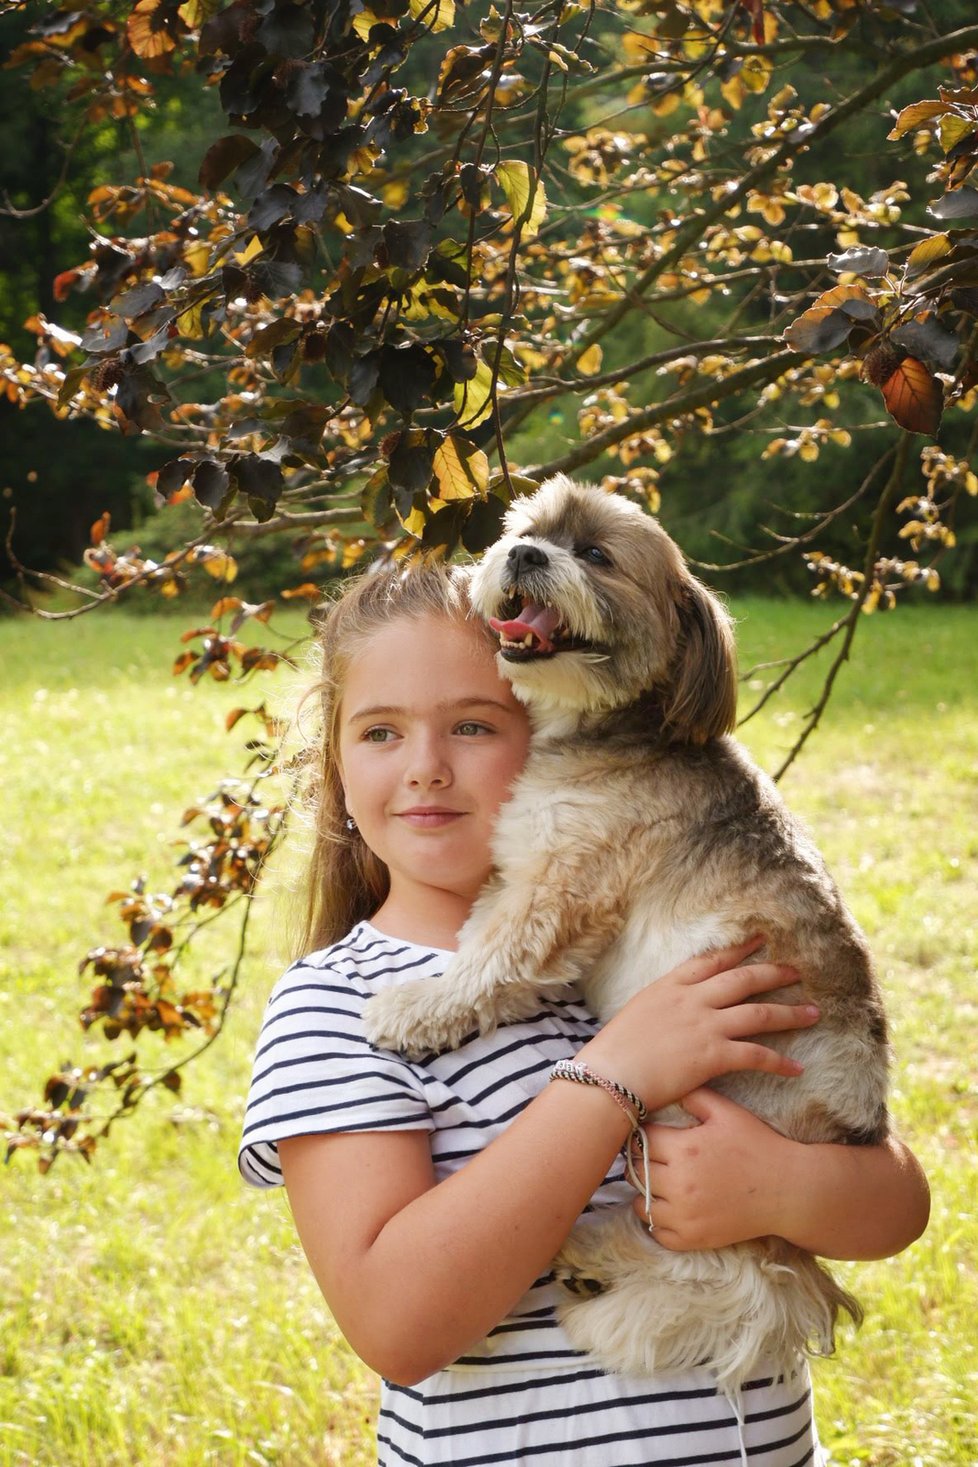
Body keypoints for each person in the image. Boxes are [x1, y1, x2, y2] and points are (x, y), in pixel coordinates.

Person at [238, 562, 929, 1467]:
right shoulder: (340, 1007)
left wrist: (777, 1186)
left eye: (475, 725)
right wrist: (613, 1078)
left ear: (562, 727)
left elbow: (899, 1206)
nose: (425, 768)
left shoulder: (657, 949)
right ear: (336, 757)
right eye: (379, 732)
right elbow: (398, 1324)